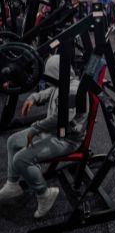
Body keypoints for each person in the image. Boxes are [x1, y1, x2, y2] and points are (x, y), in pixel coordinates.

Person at [0, 55, 88, 218]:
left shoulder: (73, 91)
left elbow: (60, 119)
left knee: (21, 159)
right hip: (53, 132)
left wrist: (35, 129)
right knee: (13, 141)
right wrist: (34, 97)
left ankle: (44, 194)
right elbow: (50, 91)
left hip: (66, 139)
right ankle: (12, 185)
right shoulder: (62, 83)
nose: (49, 83)